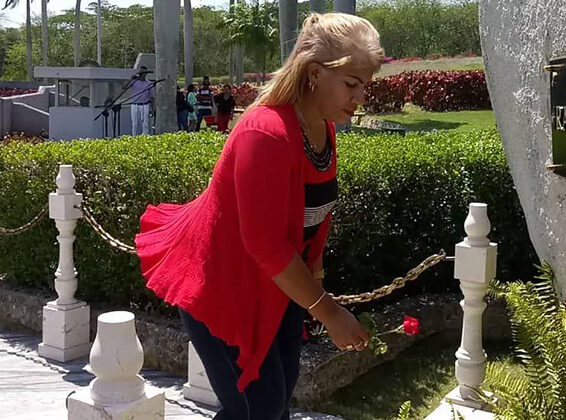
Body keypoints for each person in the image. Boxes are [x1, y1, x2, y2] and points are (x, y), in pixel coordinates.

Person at [134, 12, 384, 420]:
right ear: (315, 73)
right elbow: (265, 245)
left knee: (275, 401)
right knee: (258, 408)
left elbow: (311, 225)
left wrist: (316, 290)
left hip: (273, 286)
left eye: (365, 85)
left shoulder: (322, 129)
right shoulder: (265, 132)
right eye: (351, 84)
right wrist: (329, 313)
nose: (360, 98)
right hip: (221, 285)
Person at [127, 66, 155, 135]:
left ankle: (145, 136)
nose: (142, 74)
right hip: (135, 104)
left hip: (145, 105)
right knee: (135, 123)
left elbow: (152, 97)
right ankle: (134, 136)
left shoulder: (148, 83)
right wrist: (131, 79)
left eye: (144, 72)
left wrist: (152, 109)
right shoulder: (134, 81)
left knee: (145, 123)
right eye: (141, 72)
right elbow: (124, 87)